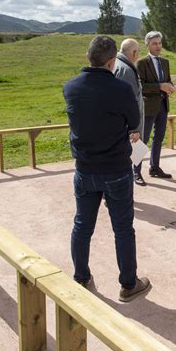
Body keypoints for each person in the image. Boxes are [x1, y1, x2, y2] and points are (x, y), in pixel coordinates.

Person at [63, 35, 151, 302]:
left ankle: (81, 277)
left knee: (82, 225)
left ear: (88, 57)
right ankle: (128, 284)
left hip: (84, 169)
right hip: (116, 170)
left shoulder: (71, 87)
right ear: (112, 61)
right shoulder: (120, 90)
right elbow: (134, 122)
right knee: (123, 229)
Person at [135, 31, 175, 186]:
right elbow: (141, 86)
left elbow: (168, 80)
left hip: (163, 106)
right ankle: (136, 171)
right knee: (142, 140)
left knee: (158, 138)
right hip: (148, 107)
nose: (158, 46)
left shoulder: (165, 62)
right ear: (147, 45)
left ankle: (154, 167)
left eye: (160, 43)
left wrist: (170, 87)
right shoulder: (141, 63)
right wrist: (160, 86)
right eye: (154, 44)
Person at [113, 38, 143, 142]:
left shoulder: (116, 63)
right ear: (134, 52)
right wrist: (134, 129)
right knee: (134, 158)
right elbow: (130, 103)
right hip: (129, 132)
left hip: (119, 127)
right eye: (138, 52)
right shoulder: (126, 70)